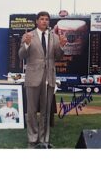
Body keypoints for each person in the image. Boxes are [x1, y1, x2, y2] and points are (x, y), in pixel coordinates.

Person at [18, 11, 67, 148]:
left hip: (49, 77)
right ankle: (32, 140)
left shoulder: (55, 37)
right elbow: (21, 55)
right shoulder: (28, 36)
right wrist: (26, 44)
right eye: (42, 19)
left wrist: (62, 46)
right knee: (32, 110)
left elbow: (58, 56)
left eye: (47, 19)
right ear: (37, 21)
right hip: (33, 77)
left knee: (46, 110)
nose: (44, 21)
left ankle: (44, 140)